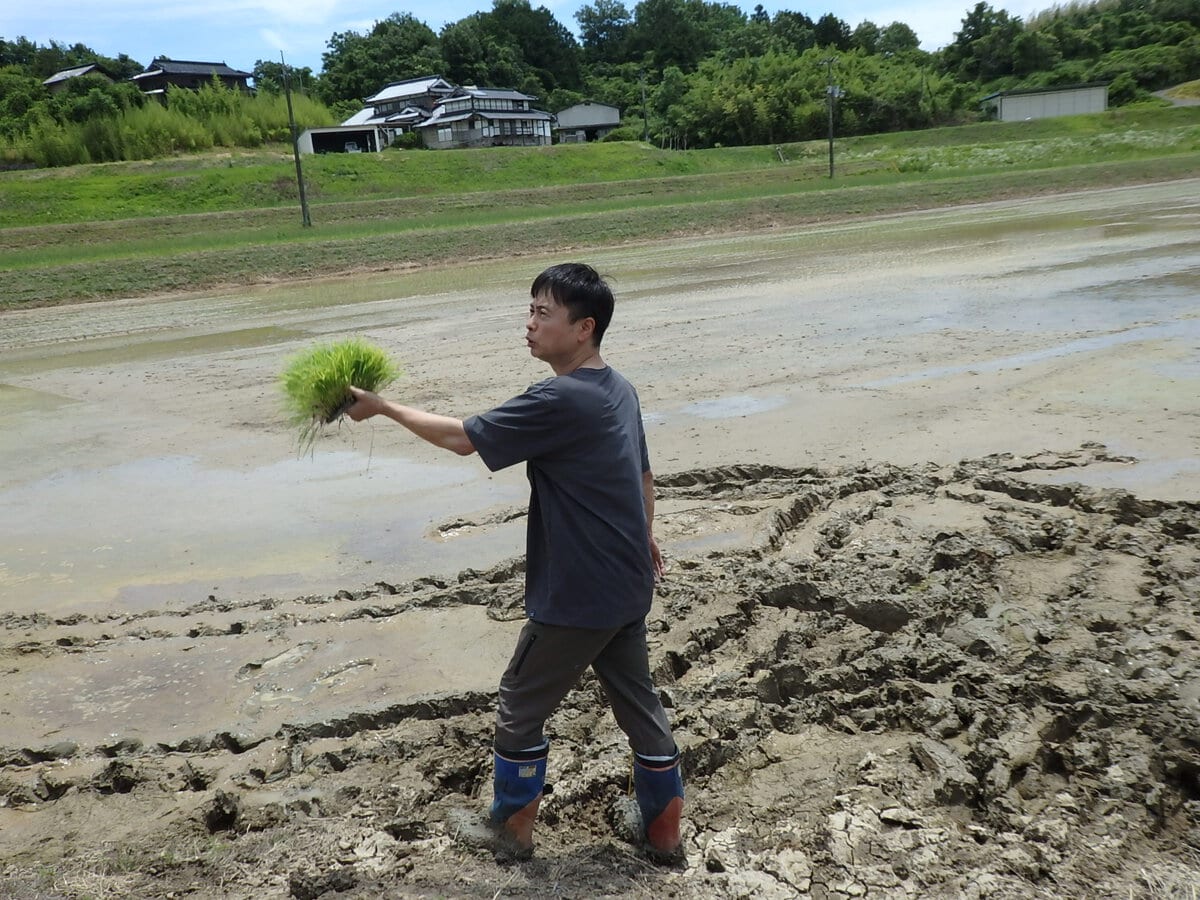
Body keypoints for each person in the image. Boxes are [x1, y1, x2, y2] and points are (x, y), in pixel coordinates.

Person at [345, 262, 684, 860]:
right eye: (529, 310)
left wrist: (383, 408)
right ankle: (663, 830)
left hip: (579, 592)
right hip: (627, 580)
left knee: (519, 704)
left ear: (583, 329)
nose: (528, 324)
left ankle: (510, 829)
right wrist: (643, 536)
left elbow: (463, 439)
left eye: (542, 313)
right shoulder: (619, 387)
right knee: (638, 702)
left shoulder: (559, 396)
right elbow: (643, 475)